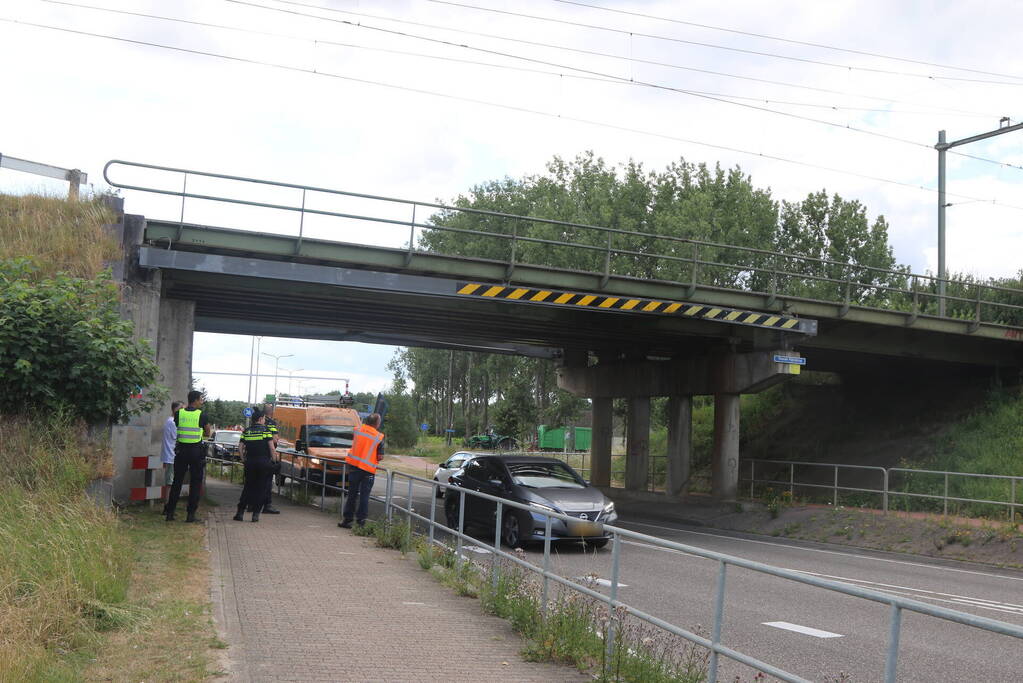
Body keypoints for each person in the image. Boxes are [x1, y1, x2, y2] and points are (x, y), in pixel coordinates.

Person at [164, 390, 211, 523]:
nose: (202, 401)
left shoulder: (179, 414)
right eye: (201, 399)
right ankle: (190, 515)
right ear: (195, 400)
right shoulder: (202, 415)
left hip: (181, 451)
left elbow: (178, 425)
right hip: (196, 452)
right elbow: (208, 433)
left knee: (177, 482)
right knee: (195, 483)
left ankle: (170, 513)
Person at [339, 413, 385, 529]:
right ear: (377, 423)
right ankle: (361, 523)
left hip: (354, 467)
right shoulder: (379, 437)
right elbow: (380, 457)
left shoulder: (358, 430)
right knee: (364, 497)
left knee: (352, 495)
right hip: (368, 471)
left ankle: (347, 520)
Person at [234, 408, 275, 522]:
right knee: (261, 488)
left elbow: (240, 447)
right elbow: (272, 448)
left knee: (248, 487)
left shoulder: (246, 431)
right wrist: (274, 461)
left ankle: (240, 513)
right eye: (264, 419)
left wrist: (243, 459)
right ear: (261, 419)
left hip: (250, 462)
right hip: (263, 462)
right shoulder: (266, 431)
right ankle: (255, 514)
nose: (264, 421)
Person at [161, 401, 183, 489]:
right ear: (174, 409)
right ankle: (167, 501)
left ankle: (168, 501)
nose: (182, 411)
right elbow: (177, 436)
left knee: (171, 480)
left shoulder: (169, 420)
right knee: (170, 482)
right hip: (171, 455)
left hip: (171, 455)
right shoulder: (173, 422)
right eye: (180, 409)